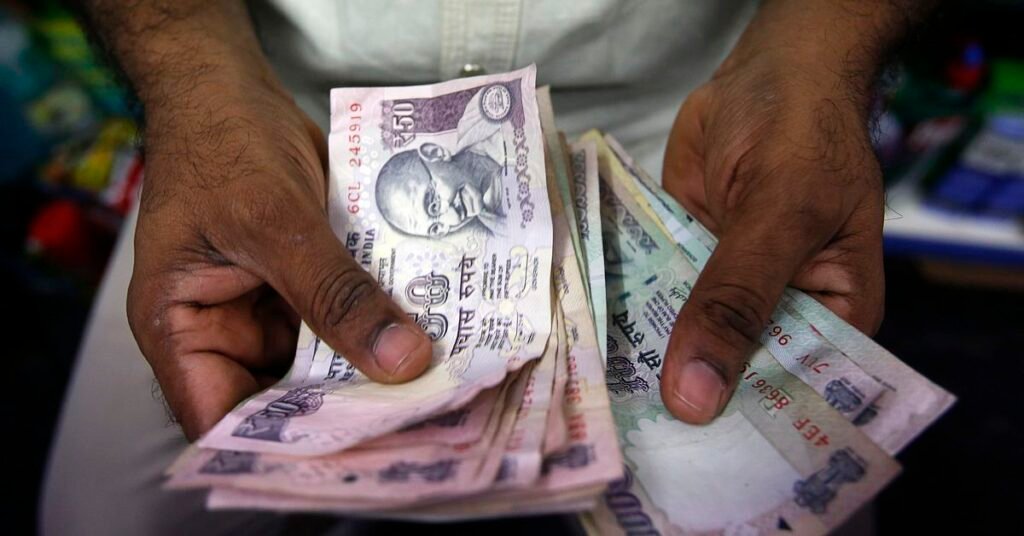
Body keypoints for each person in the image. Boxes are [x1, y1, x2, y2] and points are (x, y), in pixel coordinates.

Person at [42, 0, 934, 533]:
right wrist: (190, 89)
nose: (463, 222)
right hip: (274, 126)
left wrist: (820, 60)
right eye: (443, 220)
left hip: (690, 122)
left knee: (777, 505)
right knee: (104, 519)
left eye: (443, 204)